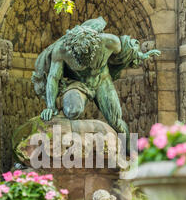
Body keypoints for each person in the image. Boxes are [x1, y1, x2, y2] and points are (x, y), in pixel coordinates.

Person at [32, 17, 160, 152]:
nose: (83, 61)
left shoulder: (110, 42)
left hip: (101, 81)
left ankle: (130, 153)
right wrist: (51, 107)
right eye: (79, 56)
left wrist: (141, 55)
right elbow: (53, 78)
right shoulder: (61, 50)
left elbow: (126, 52)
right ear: (71, 50)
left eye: (87, 55)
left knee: (117, 122)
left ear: (95, 45)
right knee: (72, 111)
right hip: (77, 84)